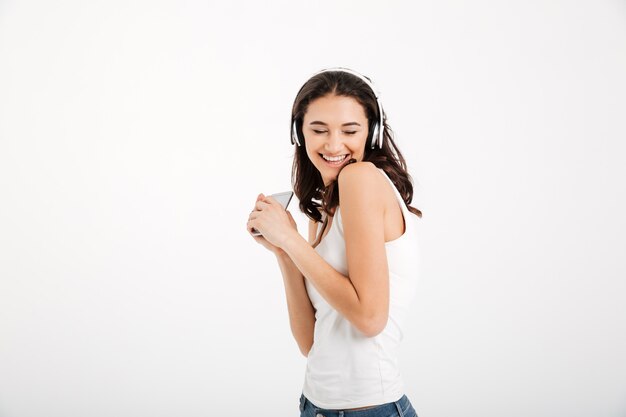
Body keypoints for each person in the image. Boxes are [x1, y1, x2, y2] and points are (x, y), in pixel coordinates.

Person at [246, 68, 422, 417]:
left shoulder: (361, 178)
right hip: (315, 405)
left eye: (349, 130)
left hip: (369, 408)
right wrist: (283, 251)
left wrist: (291, 239)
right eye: (319, 130)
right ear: (299, 133)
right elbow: (310, 343)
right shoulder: (324, 209)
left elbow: (370, 318)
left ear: (371, 133)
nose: (333, 144)